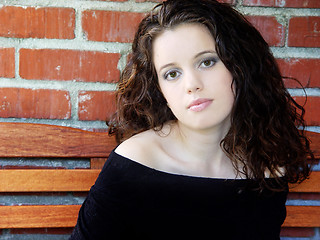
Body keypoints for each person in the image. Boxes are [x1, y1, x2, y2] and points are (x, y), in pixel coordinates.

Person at [70, 0, 314, 239]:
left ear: (240, 66)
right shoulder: (135, 162)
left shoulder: (266, 164)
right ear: (159, 90)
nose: (192, 85)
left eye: (207, 62)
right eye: (172, 74)